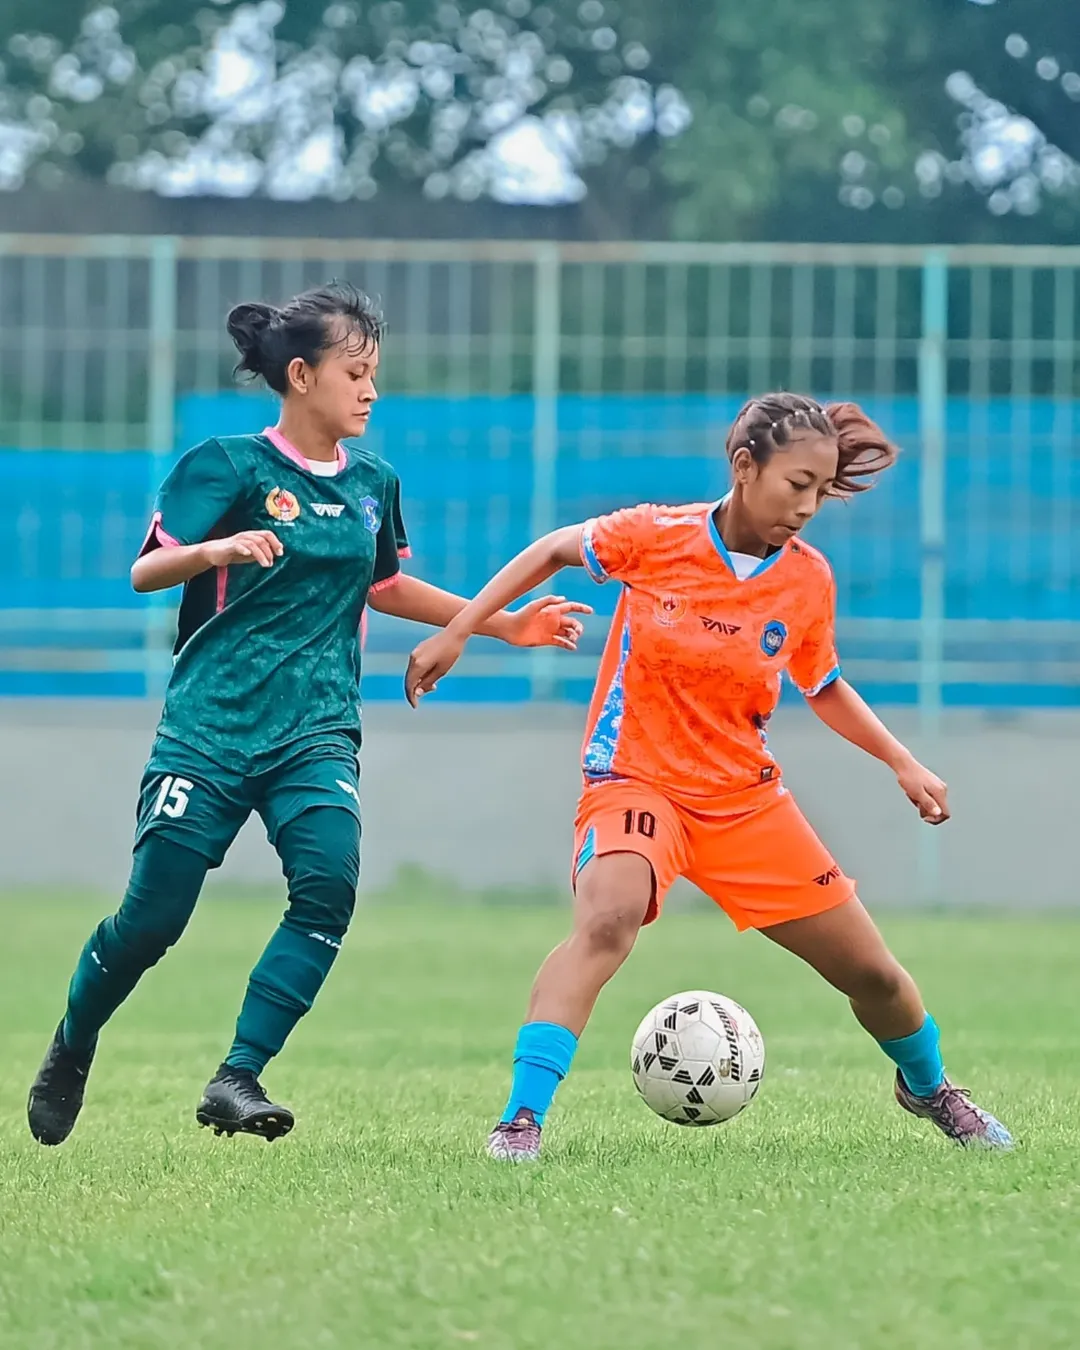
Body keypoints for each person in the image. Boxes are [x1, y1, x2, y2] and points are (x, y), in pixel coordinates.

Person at [28, 282, 588, 1147]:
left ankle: (238, 1075)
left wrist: (503, 622)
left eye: (375, 373)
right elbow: (147, 572)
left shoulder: (374, 482)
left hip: (316, 730)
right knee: (151, 921)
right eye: (355, 372)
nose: (371, 390)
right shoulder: (227, 465)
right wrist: (219, 547)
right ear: (300, 374)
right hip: (208, 730)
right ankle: (73, 1041)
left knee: (328, 885)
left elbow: (385, 583)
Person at [404, 391, 1013, 1160]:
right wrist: (461, 632)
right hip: (635, 779)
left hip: (743, 801)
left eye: (822, 491)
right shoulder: (657, 534)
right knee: (607, 921)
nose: (809, 507)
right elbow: (556, 549)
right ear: (744, 465)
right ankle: (521, 1120)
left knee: (877, 978)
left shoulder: (807, 581)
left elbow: (821, 683)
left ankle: (927, 1088)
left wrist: (903, 762)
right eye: (797, 485)